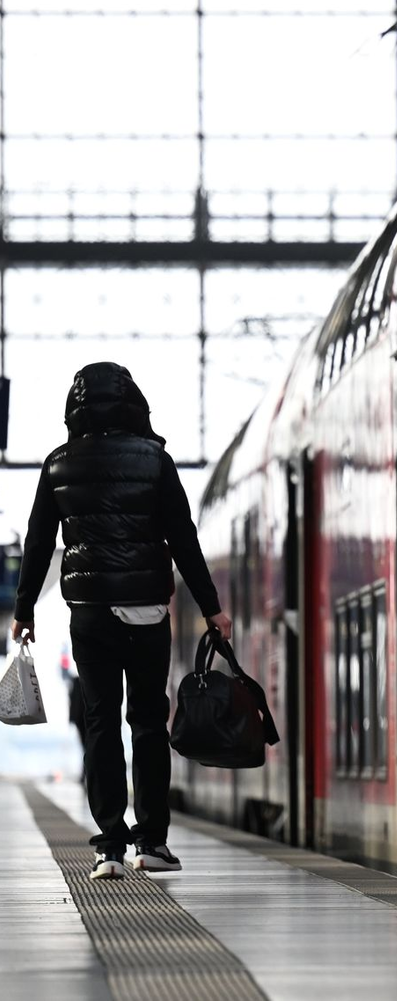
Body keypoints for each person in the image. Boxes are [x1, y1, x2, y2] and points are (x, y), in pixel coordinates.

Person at [9, 363, 233, 881]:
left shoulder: (58, 465)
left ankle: (109, 846)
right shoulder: (156, 460)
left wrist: (24, 611)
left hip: (89, 614)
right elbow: (184, 540)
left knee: (101, 723)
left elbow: (39, 542)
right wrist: (210, 606)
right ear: (134, 402)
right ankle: (152, 842)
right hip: (147, 611)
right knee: (148, 723)